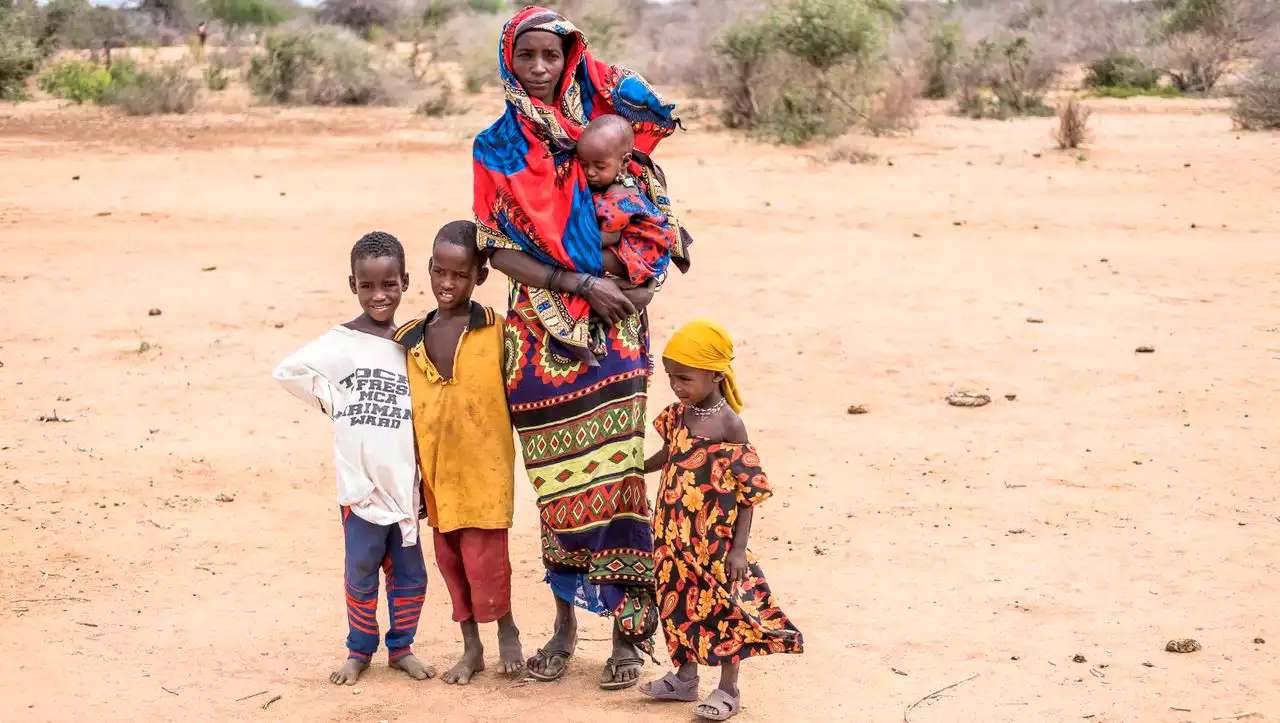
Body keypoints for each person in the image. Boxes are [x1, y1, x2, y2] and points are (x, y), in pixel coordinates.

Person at [471, 5, 692, 690]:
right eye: (528, 56)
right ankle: (566, 624)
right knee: (556, 480)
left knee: (620, 471)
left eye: (552, 56)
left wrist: (628, 282)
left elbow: (653, 212)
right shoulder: (496, 147)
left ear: (570, 57)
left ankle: (631, 628)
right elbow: (496, 248)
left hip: (618, 329)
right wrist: (579, 281)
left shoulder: (606, 131)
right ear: (510, 59)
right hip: (540, 336)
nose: (540, 69)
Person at [272, 231, 435, 686]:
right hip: (360, 489)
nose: (379, 295)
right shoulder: (341, 342)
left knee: (410, 578)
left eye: (390, 284)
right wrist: (332, 401)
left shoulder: (415, 341)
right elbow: (287, 371)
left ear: (405, 282)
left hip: (404, 487)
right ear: (353, 285)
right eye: (368, 286)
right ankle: (358, 650)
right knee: (360, 573)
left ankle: (401, 648)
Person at [639, 320, 803, 721]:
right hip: (672, 538)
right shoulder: (679, 414)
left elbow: (749, 492)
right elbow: (670, 454)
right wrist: (637, 467)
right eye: (671, 377)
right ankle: (684, 679)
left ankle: (728, 690)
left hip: (713, 542)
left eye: (684, 378)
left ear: (715, 373)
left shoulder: (728, 424)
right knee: (676, 605)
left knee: (723, 611)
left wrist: (739, 549)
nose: (677, 386)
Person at [393, 221, 523, 686]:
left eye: (461, 275)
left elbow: (522, 393)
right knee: (451, 565)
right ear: (428, 269)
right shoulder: (408, 340)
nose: (448, 284)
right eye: (440, 273)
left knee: (488, 563)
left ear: (480, 276)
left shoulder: (496, 331)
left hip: (486, 472)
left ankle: (507, 629)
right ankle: (471, 647)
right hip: (438, 477)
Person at [576, 113, 677, 288]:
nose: (590, 172)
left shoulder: (619, 196)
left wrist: (574, 242)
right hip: (636, 246)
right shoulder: (625, 179)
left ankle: (627, 281)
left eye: (599, 166)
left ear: (625, 162)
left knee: (590, 254)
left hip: (640, 253)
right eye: (584, 164)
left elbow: (609, 238)